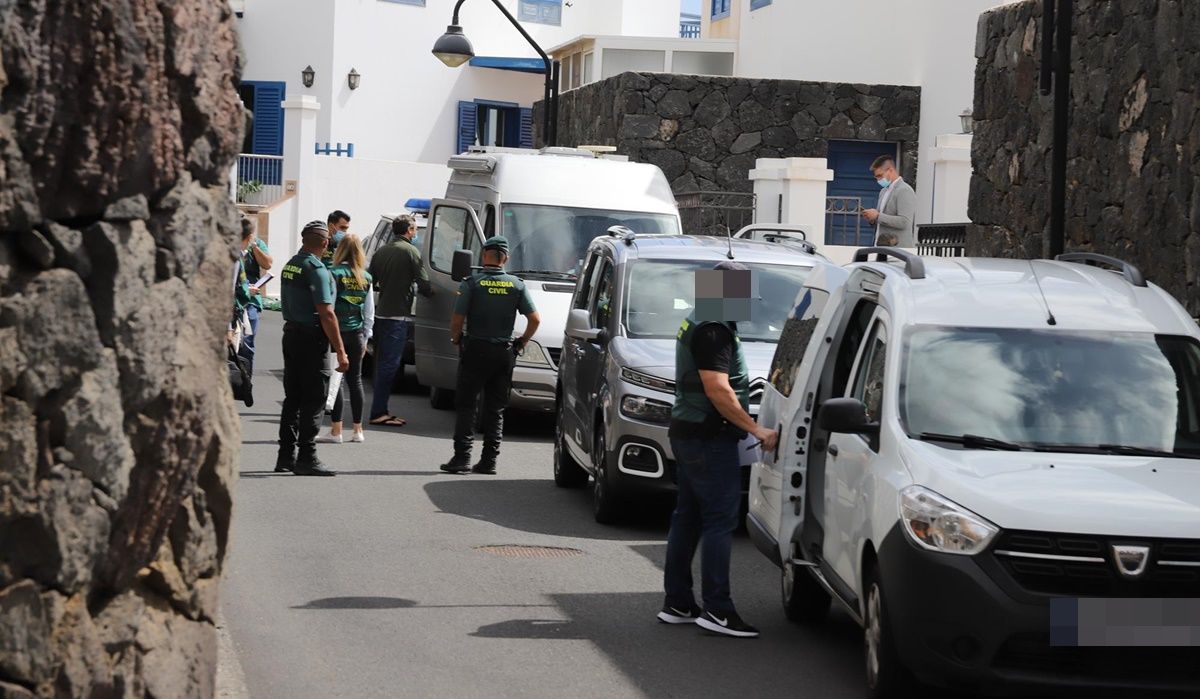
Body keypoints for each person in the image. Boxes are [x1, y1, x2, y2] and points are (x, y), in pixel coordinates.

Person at [658, 261, 779, 638]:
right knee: (718, 521)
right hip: (708, 438)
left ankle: (678, 602)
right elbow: (718, 389)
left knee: (689, 517)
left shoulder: (703, 319)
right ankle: (718, 610)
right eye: (741, 295)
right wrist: (755, 428)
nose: (747, 304)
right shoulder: (713, 330)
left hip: (691, 433)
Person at [440, 236, 540, 475]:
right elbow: (535, 319)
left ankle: (462, 458)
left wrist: (456, 339)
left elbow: (457, 320)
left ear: (484, 255)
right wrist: (521, 342)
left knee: (466, 405)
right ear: (505, 258)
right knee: (495, 409)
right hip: (504, 352)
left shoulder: (472, 283)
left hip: (475, 349)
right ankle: (489, 461)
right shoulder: (517, 285)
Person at [277, 220, 349, 477]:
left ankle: (285, 456)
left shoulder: (291, 265)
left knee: (293, 397)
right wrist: (340, 349)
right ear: (324, 242)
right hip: (311, 339)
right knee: (314, 399)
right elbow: (327, 313)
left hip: (291, 335)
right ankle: (307, 457)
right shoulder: (316, 269)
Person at [366, 215, 432, 427]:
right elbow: (424, 285)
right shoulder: (412, 252)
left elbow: (371, 281)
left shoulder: (381, 251)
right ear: (410, 230)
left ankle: (380, 409)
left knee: (382, 363)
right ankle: (378, 412)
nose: (415, 234)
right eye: (414, 230)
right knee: (389, 366)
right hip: (398, 316)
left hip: (381, 314)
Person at [318, 234, 375, 444]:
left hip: (337, 333)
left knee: (337, 379)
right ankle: (358, 430)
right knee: (356, 380)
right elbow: (369, 311)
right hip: (358, 333)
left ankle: (336, 431)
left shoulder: (333, 273)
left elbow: (329, 306)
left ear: (340, 250)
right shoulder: (365, 276)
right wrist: (367, 336)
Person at [238, 217, 273, 376]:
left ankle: (245, 380)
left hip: (251, 300)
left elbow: (267, 264)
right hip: (234, 297)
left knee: (247, 342)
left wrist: (253, 247)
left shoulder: (257, 244)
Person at [861, 156, 916, 247]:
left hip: (898, 250)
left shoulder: (905, 190)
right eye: (876, 177)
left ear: (890, 170)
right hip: (881, 247)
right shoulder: (883, 191)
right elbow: (882, 221)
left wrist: (878, 216)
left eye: (880, 176)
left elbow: (905, 222)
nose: (878, 180)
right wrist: (872, 219)